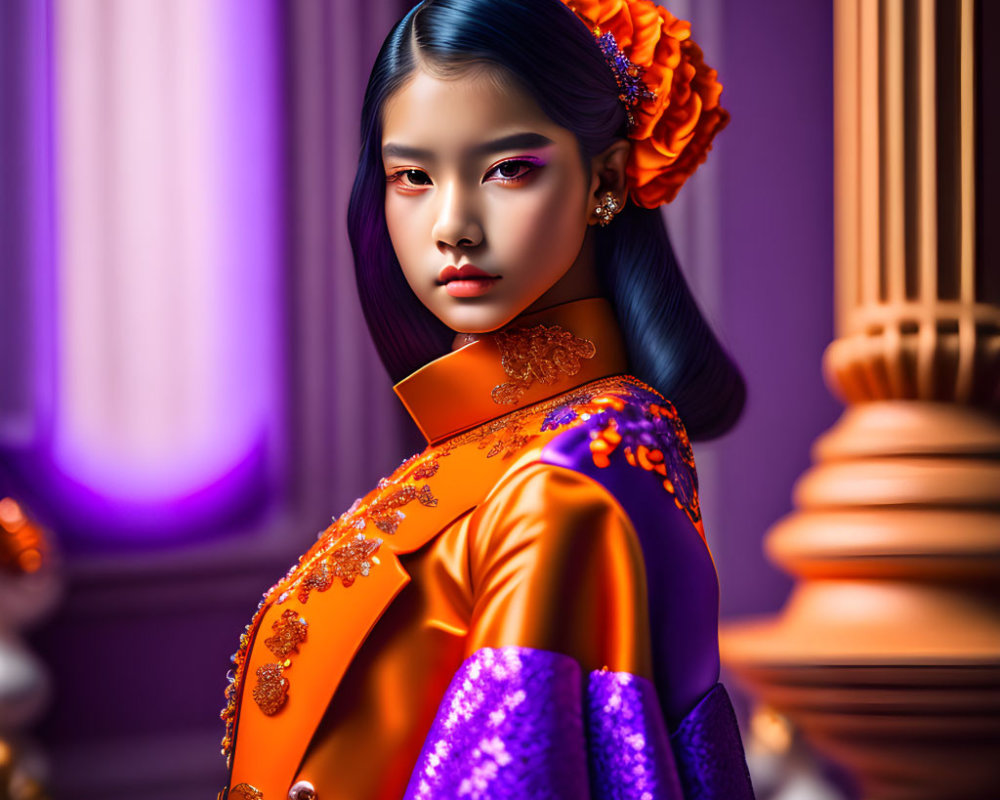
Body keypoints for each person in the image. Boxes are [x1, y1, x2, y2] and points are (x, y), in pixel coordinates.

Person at [218, 0, 754, 797]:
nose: (453, 226)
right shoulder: (532, 441)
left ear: (604, 179)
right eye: (414, 177)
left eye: (507, 169)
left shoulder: (559, 481)